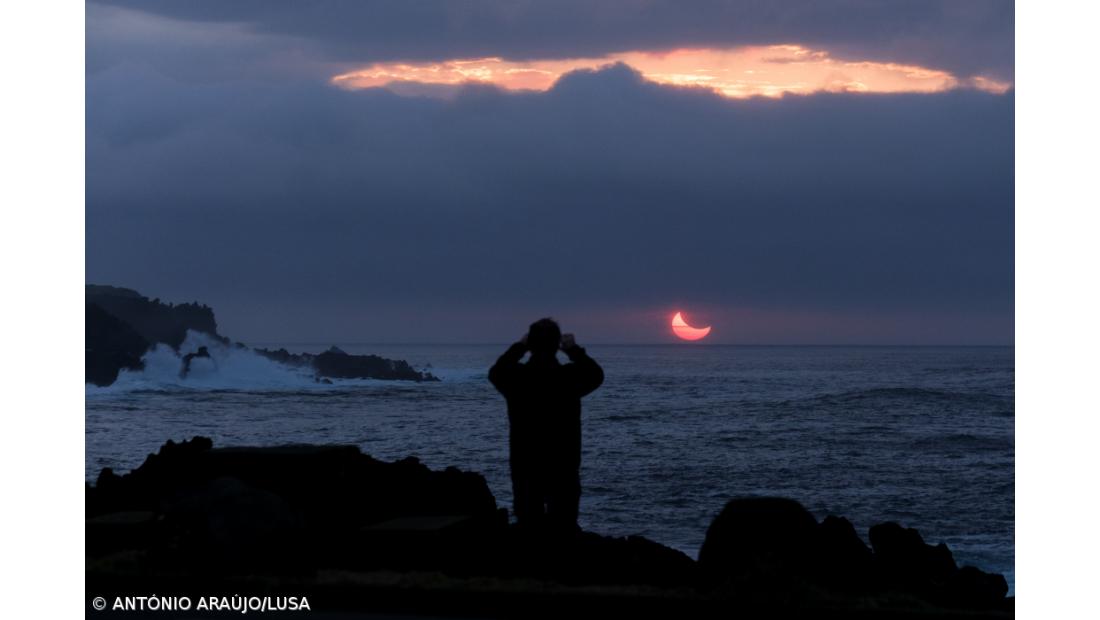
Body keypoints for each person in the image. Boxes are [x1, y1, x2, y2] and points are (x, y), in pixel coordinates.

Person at [489, 318, 604, 532]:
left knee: (529, 527)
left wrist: (519, 347)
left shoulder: (518, 379)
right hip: (563, 465)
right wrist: (573, 349)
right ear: (557, 345)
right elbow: (595, 375)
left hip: (526, 464)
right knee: (563, 528)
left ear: (530, 345)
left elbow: (497, 372)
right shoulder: (568, 378)